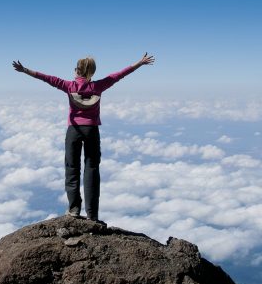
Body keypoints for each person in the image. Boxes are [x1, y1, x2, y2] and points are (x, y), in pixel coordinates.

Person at [12, 53, 155, 221]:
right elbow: (120, 75)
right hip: (92, 131)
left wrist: (25, 70)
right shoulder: (99, 86)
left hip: (73, 130)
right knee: (92, 169)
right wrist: (139, 63)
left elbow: (46, 78)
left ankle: (74, 209)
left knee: (72, 169)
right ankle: (92, 214)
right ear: (91, 73)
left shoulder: (68, 86)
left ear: (76, 70)